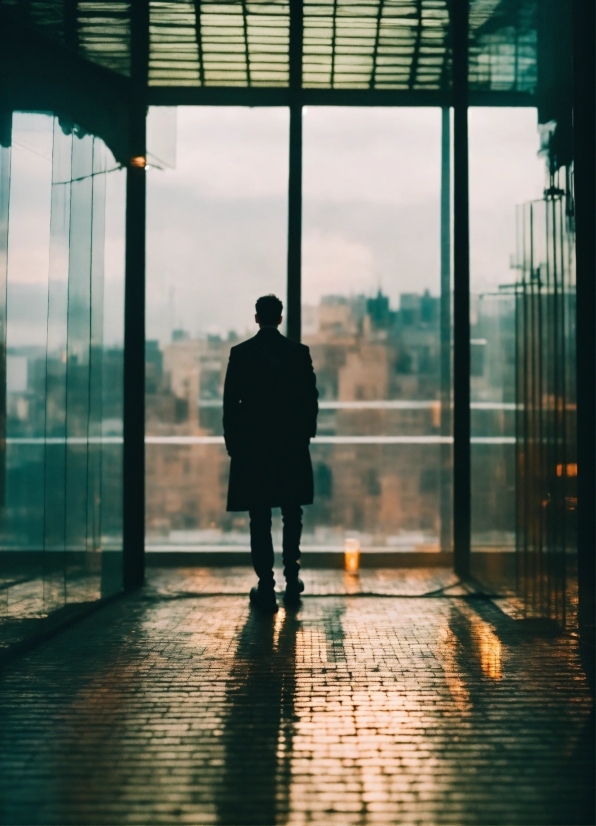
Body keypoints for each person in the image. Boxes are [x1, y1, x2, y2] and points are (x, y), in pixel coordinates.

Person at [223, 294, 319, 613]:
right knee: (292, 514)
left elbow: (230, 406)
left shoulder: (241, 354)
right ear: (280, 318)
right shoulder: (298, 353)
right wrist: (304, 436)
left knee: (259, 517)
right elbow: (310, 400)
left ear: (256, 318)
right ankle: (293, 581)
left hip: (254, 450)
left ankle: (266, 586)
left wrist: (234, 446)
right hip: (290, 447)